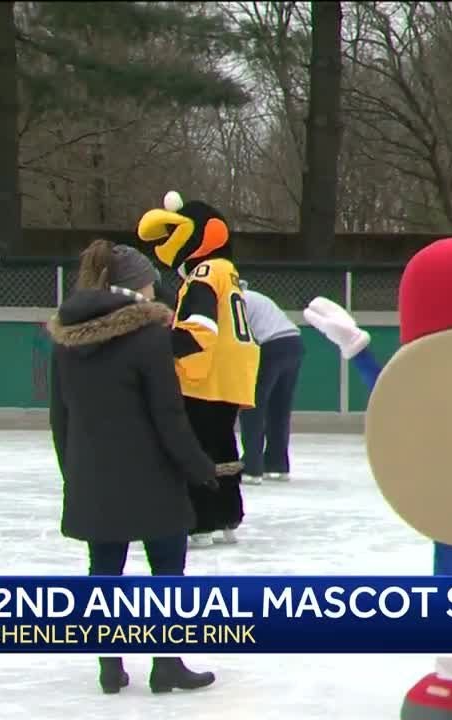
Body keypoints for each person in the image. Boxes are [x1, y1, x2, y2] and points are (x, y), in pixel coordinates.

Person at [46, 239, 218, 695]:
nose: (153, 289)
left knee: (104, 571)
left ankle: (110, 667)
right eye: (149, 282)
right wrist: (199, 466)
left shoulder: (65, 340)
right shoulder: (149, 337)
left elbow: (60, 417)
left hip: (93, 478)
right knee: (167, 573)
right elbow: (168, 415)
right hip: (152, 478)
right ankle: (167, 665)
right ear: (135, 286)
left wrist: (74, 474)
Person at [137, 191, 261, 548]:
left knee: (198, 447)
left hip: (204, 375)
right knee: (222, 443)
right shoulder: (228, 272)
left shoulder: (204, 273)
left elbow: (200, 329)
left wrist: (162, 346)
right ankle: (227, 515)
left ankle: (202, 520)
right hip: (232, 374)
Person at [238, 281, 305, 484]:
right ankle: (277, 464)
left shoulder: (234, 301)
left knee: (252, 406)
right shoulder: (257, 297)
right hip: (293, 343)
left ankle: (252, 467)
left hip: (270, 347)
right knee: (279, 408)